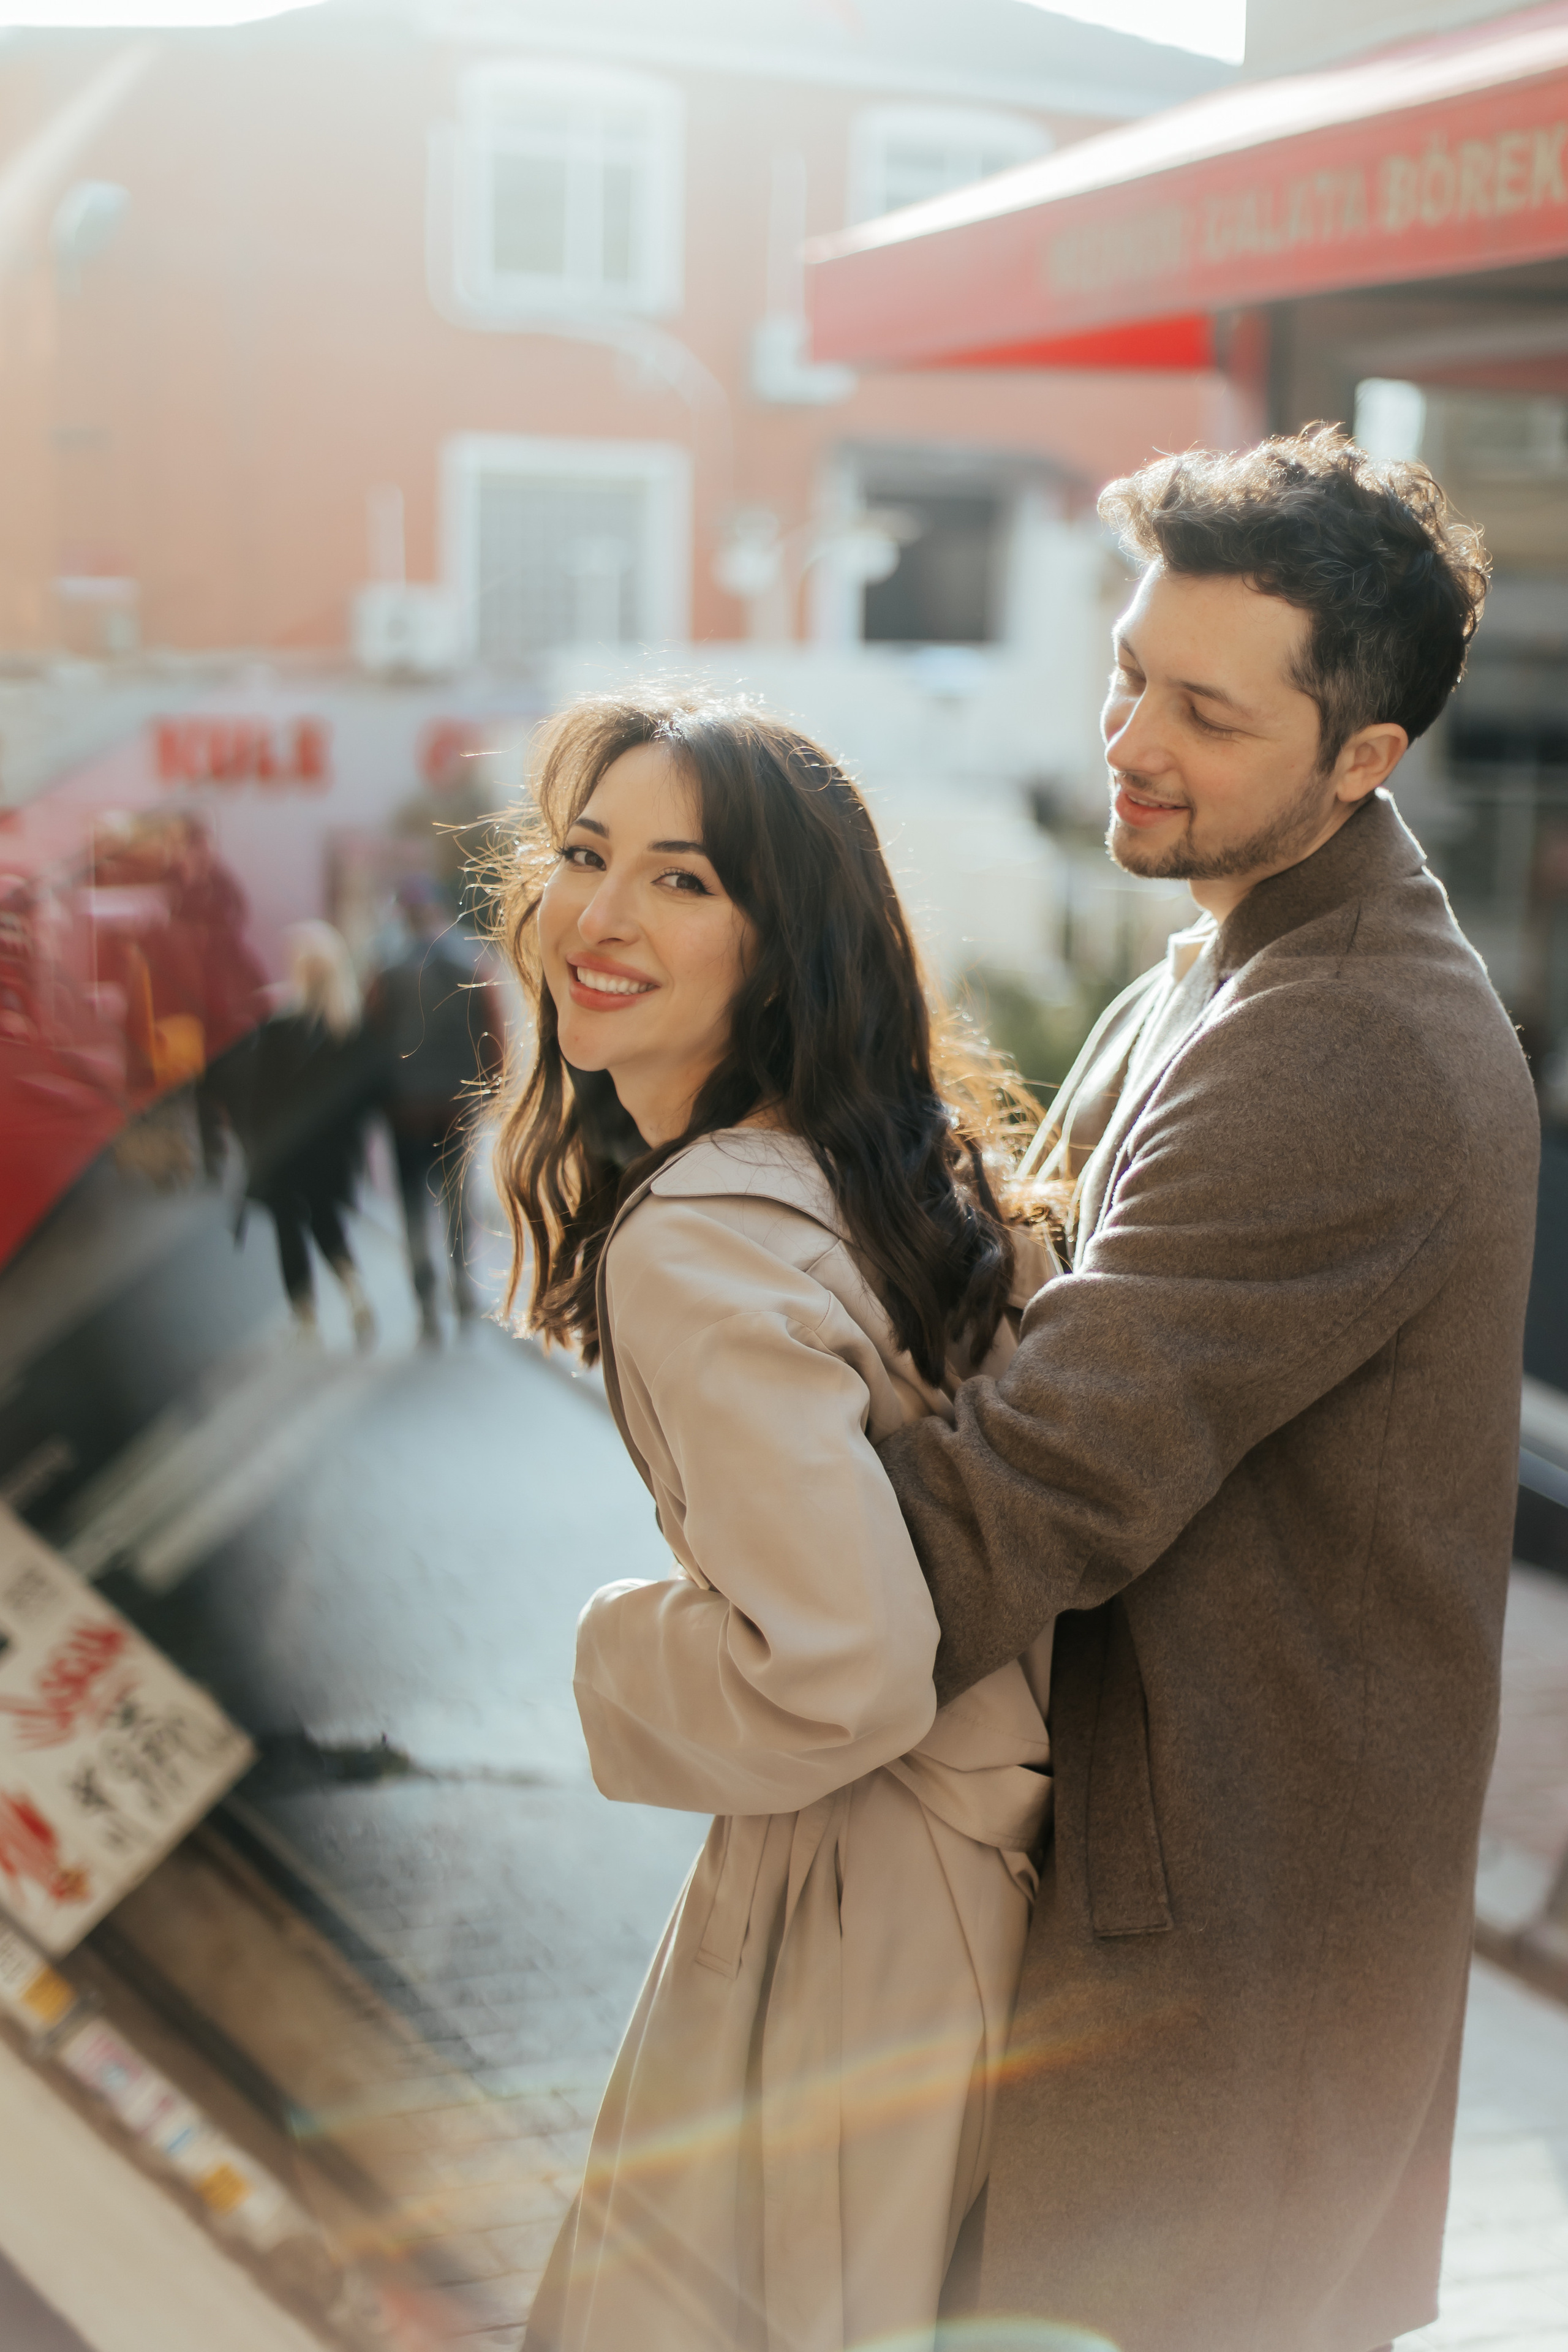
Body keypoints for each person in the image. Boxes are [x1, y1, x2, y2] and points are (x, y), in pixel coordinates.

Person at [876, 427, 1540, 2352]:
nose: (1131, 739)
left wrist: (714, 1610)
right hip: (1173, 1921)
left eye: (1204, 713)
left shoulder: (1342, 1038)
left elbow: (1036, 1479)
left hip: (1223, 1971)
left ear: (1361, 762)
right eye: (1126, 673)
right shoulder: (1230, 956)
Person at [494, 695, 1060, 2352]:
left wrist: (616, 1654)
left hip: (860, 1902)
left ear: (779, 941)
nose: (600, 917)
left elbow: (842, 1669)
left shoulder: (702, 1238)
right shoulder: (881, 1164)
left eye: (683, 881)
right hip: (959, 1877)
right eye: (586, 856)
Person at [366, 875, 503, 1343]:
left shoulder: (385, 971)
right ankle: (463, 1289)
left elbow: (373, 1043)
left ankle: (425, 1301)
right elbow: (492, 1030)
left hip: (405, 1106)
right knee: (457, 1199)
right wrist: (492, 1089)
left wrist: (379, 1099)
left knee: (411, 1204)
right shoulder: (471, 962)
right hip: (456, 1105)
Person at [243, 920, 378, 1347]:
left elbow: (257, 1094)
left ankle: (304, 1317)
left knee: (289, 1225)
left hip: (286, 1151)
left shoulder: (280, 1027)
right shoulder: (352, 1028)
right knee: (326, 1219)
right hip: (332, 1150)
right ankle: (354, 1290)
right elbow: (365, 1096)